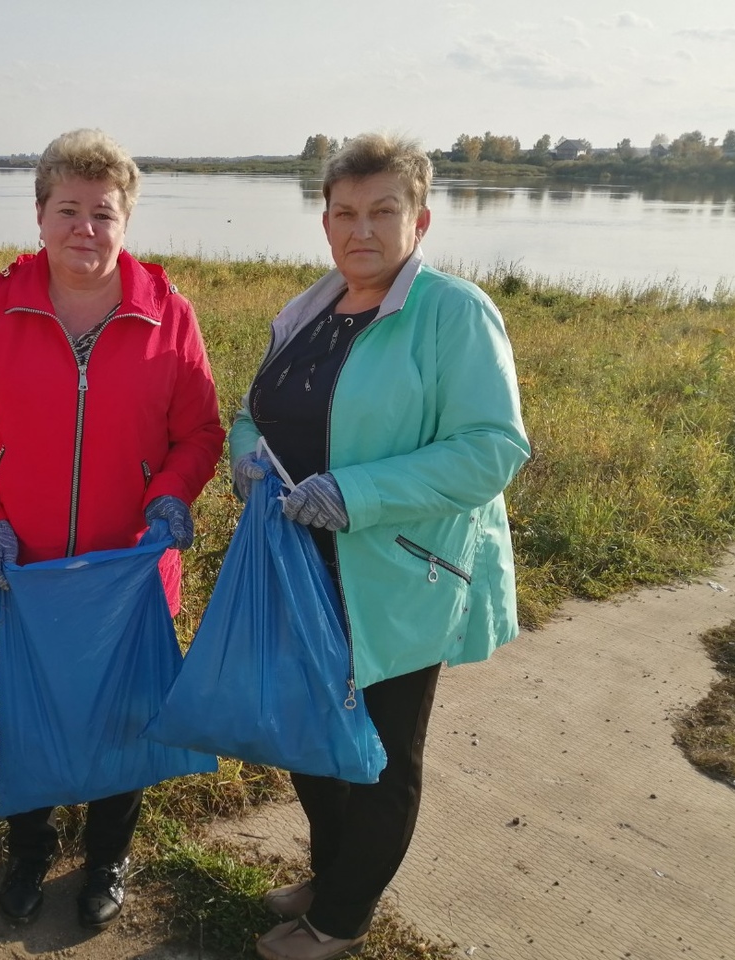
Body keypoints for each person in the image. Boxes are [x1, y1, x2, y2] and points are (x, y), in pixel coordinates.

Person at [230, 134, 530, 960]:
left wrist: (353, 493)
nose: (362, 230)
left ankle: (341, 919)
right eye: (346, 213)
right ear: (325, 221)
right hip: (301, 565)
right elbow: (257, 406)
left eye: (383, 212)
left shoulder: (454, 313)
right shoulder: (309, 309)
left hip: (396, 573)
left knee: (380, 756)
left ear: (420, 219)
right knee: (312, 736)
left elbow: (490, 448)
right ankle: (334, 871)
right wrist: (246, 455)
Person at [0, 128, 224, 929]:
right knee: (32, 715)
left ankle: (107, 858)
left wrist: (170, 495)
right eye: (68, 209)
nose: (84, 229)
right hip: (21, 574)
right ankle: (30, 849)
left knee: (124, 721)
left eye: (104, 212)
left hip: (128, 573)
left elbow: (200, 433)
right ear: (38, 215)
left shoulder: (169, 316)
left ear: (126, 220)